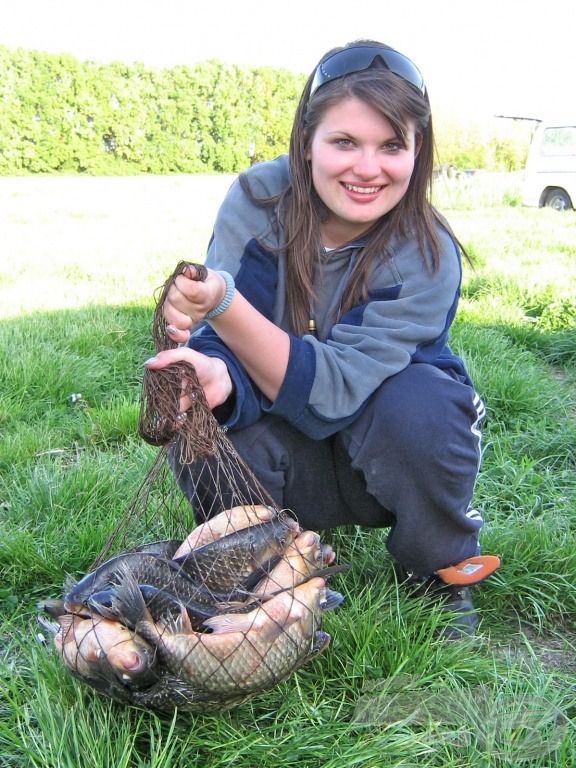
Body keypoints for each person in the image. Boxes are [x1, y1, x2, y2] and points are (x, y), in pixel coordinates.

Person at [145, 40, 489, 639]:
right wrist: (218, 377)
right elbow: (224, 343)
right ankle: (263, 573)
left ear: (418, 152)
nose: (367, 168)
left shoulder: (429, 254)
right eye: (344, 142)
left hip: (387, 454)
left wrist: (224, 303)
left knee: (424, 408)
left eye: (392, 145)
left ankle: (437, 569)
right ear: (306, 142)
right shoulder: (258, 200)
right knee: (205, 422)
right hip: (287, 452)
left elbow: (331, 389)